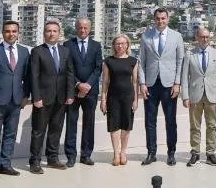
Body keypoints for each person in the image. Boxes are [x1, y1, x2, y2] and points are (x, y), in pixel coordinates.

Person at [0, 20, 30, 177]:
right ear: (2, 33)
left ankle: (6, 164)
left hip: (16, 101)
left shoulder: (24, 52)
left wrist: (25, 96)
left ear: (18, 33)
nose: (11, 34)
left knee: (11, 133)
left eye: (14, 31)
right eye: (8, 31)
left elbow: (27, 77)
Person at [137, 8, 185, 165]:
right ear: (154, 19)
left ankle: (171, 153)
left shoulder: (177, 37)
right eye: (158, 19)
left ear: (168, 19)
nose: (160, 21)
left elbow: (180, 61)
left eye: (163, 18)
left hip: (169, 84)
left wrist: (177, 83)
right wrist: (142, 83)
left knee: (170, 120)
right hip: (150, 84)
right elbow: (141, 62)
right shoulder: (146, 37)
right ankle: (151, 153)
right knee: (149, 120)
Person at [29, 20, 78, 170]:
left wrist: (70, 94)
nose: (52, 34)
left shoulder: (65, 51)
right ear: (44, 34)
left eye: (54, 31)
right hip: (43, 98)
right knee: (38, 131)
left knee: (56, 130)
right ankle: (35, 161)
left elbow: (70, 74)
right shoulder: (37, 51)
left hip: (61, 98)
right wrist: (36, 97)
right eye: (49, 31)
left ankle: (52, 158)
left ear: (59, 33)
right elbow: (34, 76)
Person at [180, 26, 216, 164]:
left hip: (212, 95)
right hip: (195, 95)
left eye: (207, 37)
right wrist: (185, 96)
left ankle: (211, 153)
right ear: (197, 38)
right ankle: (195, 152)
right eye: (202, 36)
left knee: (211, 126)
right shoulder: (189, 54)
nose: (204, 39)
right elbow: (184, 77)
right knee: (195, 126)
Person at [64, 18, 102, 166]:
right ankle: (71, 156)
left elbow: (98, 67)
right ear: (76, 28)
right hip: (73, 91)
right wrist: (79, 84)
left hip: (91, 92)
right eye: (80, 28)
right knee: (71, 123)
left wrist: (88, 85)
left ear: (90, 29)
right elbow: (67, 68)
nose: (83, 30)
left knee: (89, 123)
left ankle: (86, 154)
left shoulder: (96, 46)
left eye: (86, 28)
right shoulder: (68, 45)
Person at [100, 35, 139, 166]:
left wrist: (136, 100)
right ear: (113, 45)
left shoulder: (133, 61)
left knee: (126, 125)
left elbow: (135, 82)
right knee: (114, 125)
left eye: (123, 43)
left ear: (127, 45)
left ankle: (123, 152)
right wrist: (103, 100)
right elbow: (105, 82)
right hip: (113, 97)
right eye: (117, 43)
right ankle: (116, 153)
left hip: (128, 97)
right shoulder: (108, 61)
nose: (120, 46)